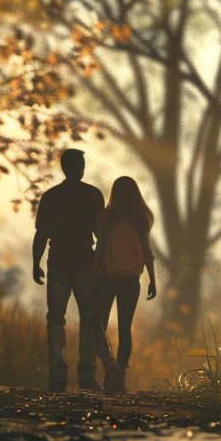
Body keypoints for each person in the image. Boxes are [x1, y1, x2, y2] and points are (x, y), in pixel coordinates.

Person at [33, 148, 121, 392]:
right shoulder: (93, 195)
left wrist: (35, 262)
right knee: (90, 320)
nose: (83, 167)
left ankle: (58, 377)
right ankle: (87, 376)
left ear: (63, 167)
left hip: (57, 263)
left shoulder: (51, 196)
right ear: (78, 167)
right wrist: (104, 262)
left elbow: (41, 233)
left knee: (55, 320)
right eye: (82, 163)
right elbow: (99, 233)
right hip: (85, 263)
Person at [92, 176, 157, 393]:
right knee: (125, 329)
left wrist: (93, 277)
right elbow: (146, 251)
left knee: (97, 323)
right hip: (132, 279)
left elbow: (100, 249)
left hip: (108, 277)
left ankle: (110, 366)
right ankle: (121, 377)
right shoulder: (141, 218)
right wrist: (152, 280)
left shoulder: (104, 216)